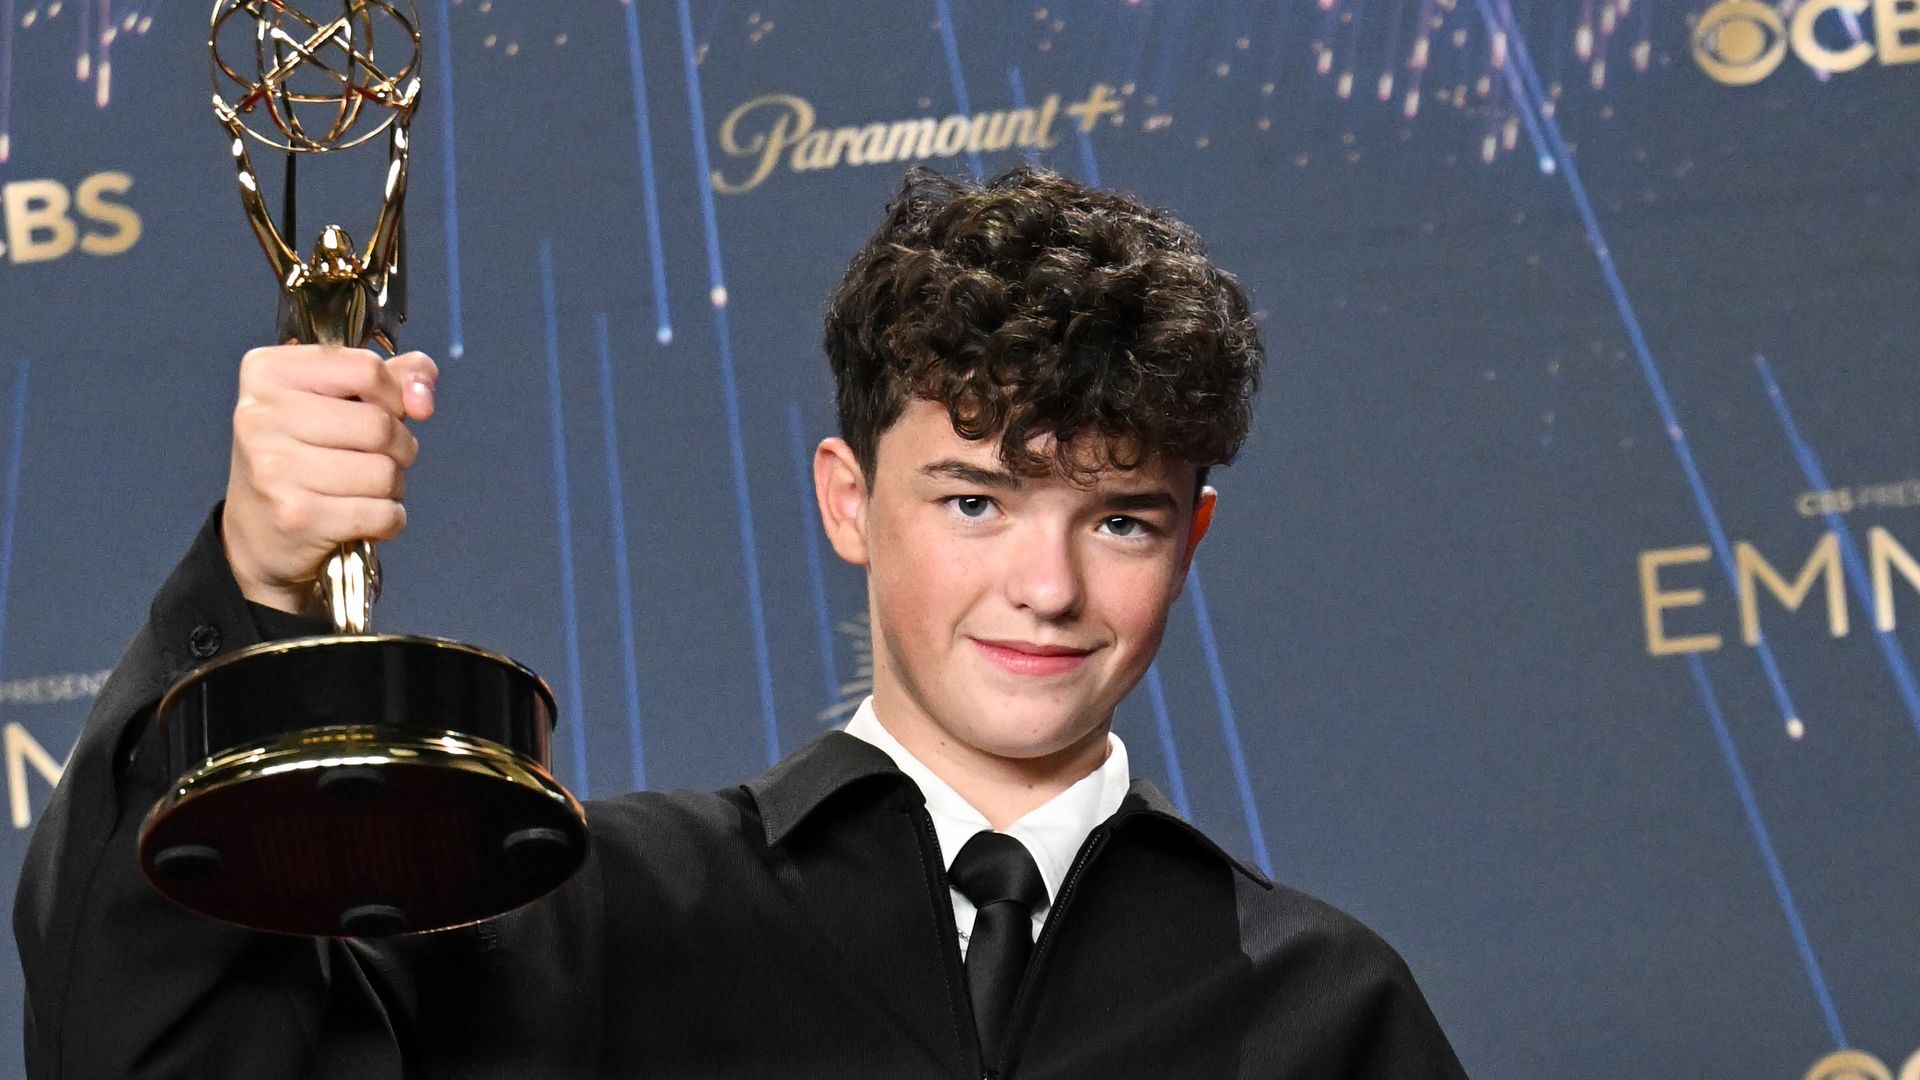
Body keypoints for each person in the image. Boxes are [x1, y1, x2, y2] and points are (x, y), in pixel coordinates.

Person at [15, 167, 1468, 1078]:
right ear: (849, 501)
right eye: (974, 503)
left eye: (1120, 519)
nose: (1048, 587)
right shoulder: (589, 923)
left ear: (1192, 539)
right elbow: (141, 1048)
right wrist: (253, 587)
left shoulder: (1327, 1012)